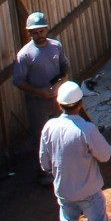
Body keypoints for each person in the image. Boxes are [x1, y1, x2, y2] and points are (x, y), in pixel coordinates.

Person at [39, 81, 111, 221]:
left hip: (64, 191)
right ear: (79, 103)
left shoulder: (50, 127)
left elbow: (44, 162)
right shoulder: (86, 129)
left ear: (59, 104)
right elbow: (105, 155)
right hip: (89, 192)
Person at [15, 12, 71, 186]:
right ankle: (45, 172)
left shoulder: (56, 46)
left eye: (41, 31)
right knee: (42, 136)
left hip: (56, 99)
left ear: (47, 29)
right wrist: (40, 92)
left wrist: (61, 82)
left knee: (62, 132)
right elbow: (18, 81)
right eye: (34, 33)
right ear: (30, 34)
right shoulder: (25, 55)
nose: (38, 35)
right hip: (37, 102)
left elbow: (65, 66)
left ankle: (65, 167)